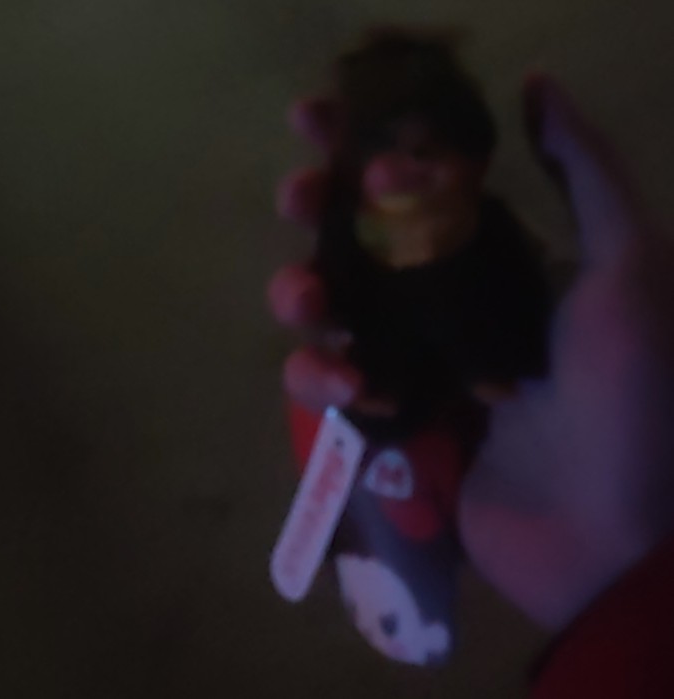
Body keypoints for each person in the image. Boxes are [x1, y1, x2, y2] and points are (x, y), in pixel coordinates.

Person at [268, 73, 674, 696]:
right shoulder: (357, 236)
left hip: (496, 352)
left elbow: (515, 281)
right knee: (373, 386)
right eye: (382, 154)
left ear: (473, 157)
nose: (399, 174)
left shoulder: (488, 230)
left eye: (424, 152)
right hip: (414, 371)